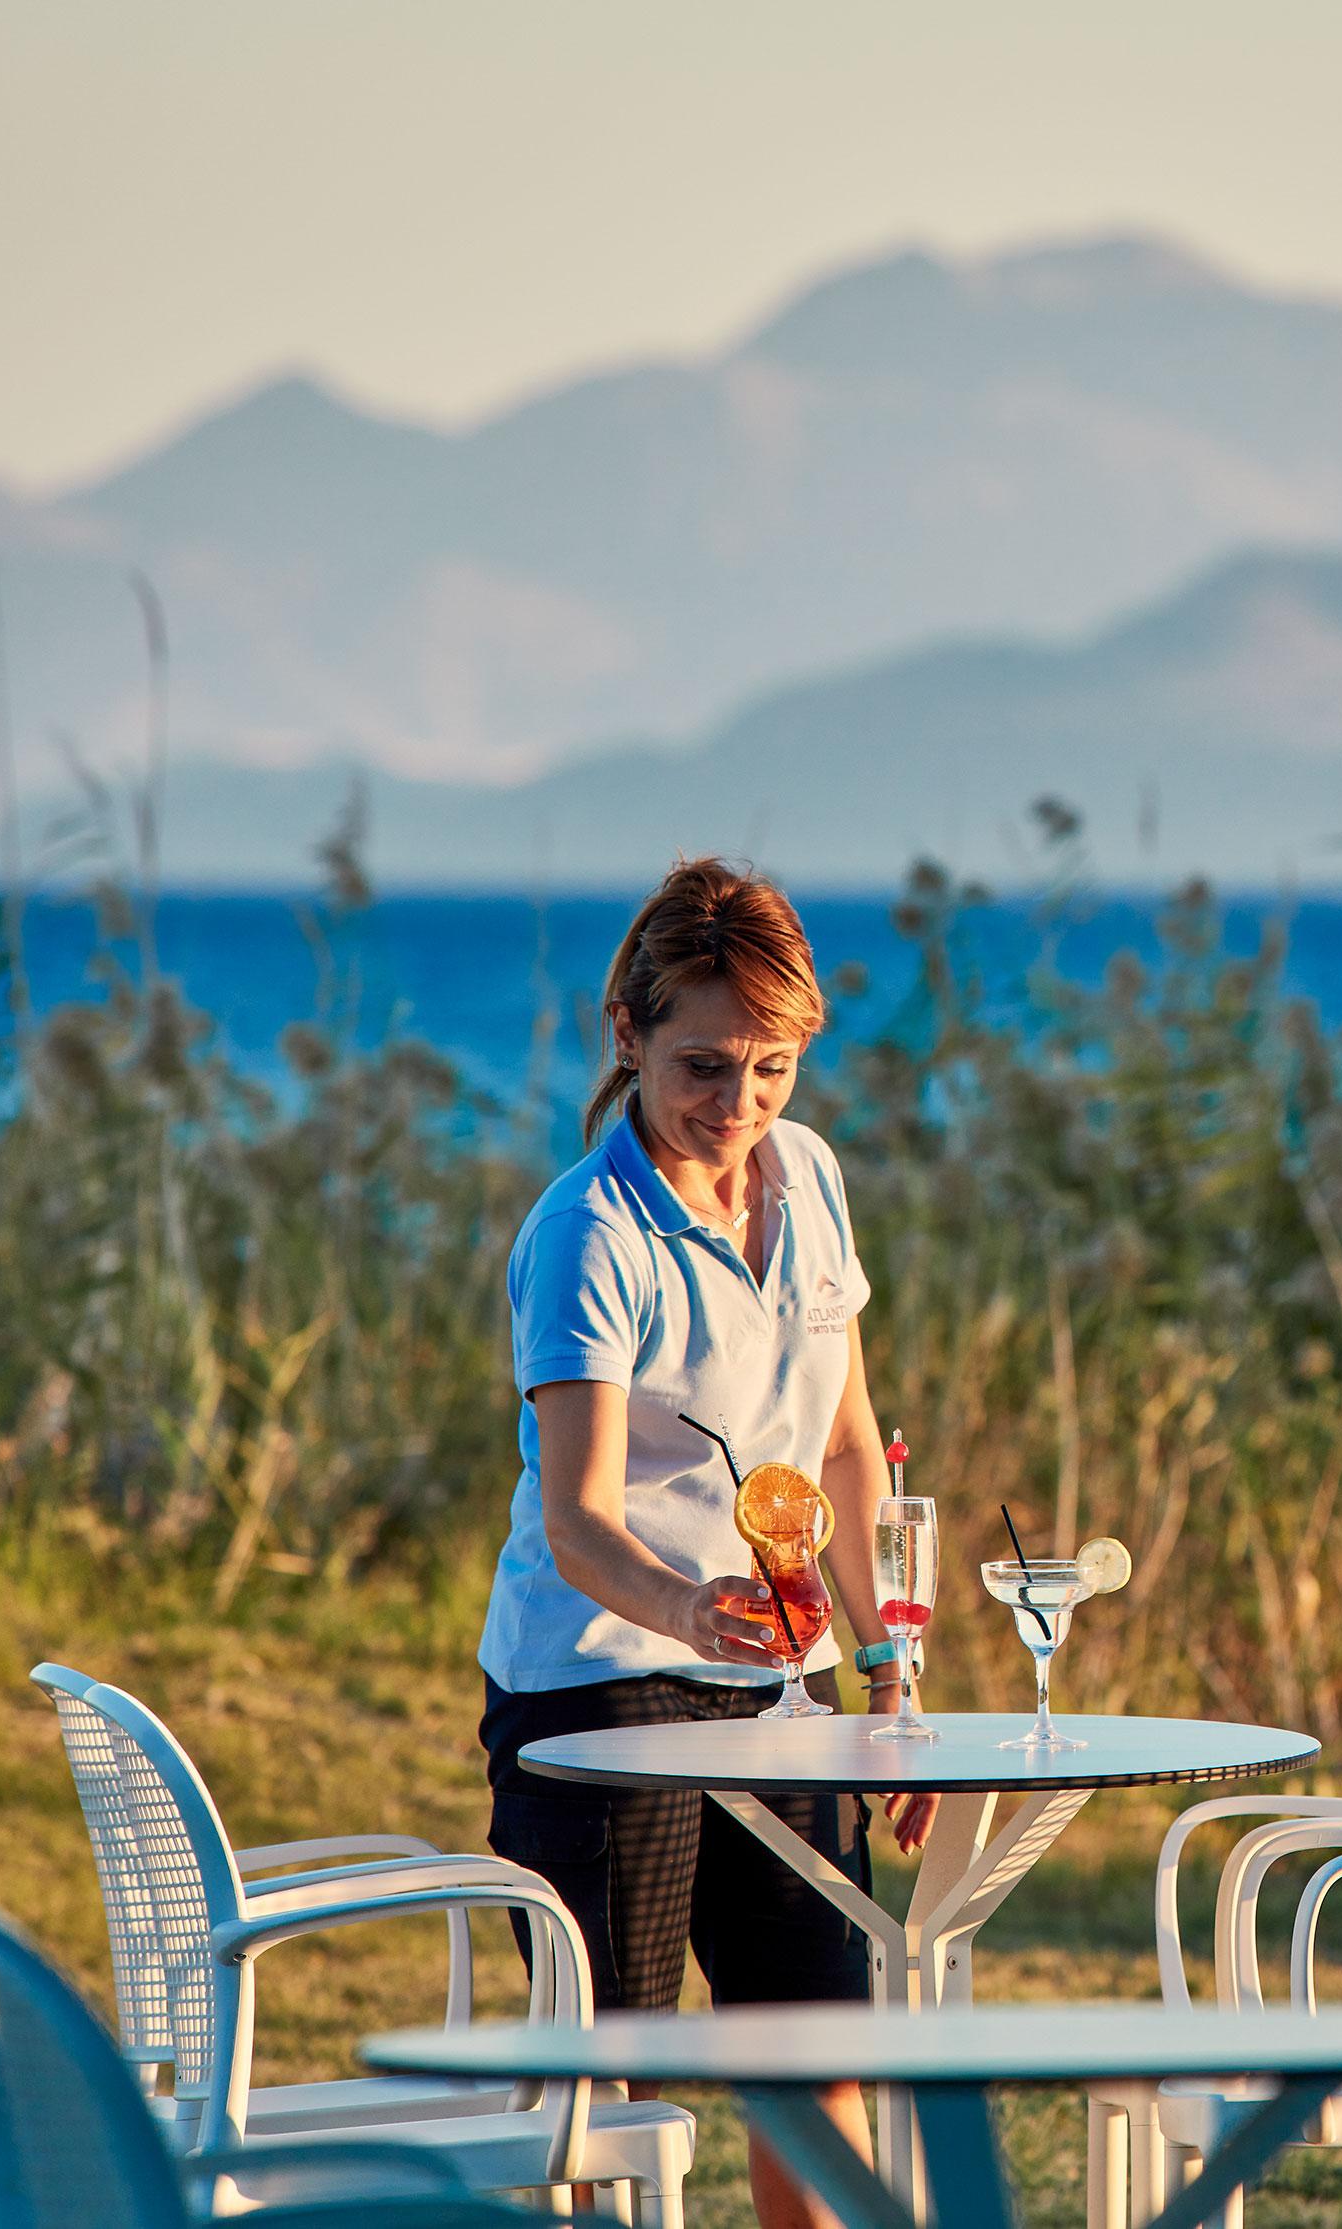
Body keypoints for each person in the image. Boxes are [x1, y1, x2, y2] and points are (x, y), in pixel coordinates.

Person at [478, 856, 898, 2229]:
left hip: (782, 1683)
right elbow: (578, 1519)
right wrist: (692, 1606)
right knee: (606, 2092)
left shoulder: (813, 1177)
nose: (738, 1105)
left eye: (770, 1066)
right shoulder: (588, 1234)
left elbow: (844, 1446)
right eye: (705, 1065)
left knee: (817, 2056)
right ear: (630, 1036)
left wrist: (888, 1664)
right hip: (599, 1683)